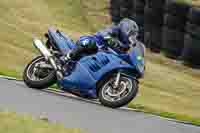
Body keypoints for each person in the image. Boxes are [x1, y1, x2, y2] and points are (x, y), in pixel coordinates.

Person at [64, 18, 139, 61]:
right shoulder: (114, 29)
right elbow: (104, 34)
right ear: (125, 28)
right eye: (130, 33)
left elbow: (124, 56)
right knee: (88, 43)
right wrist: (113, 41)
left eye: (133, 35)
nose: (131, 36)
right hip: (96, 44)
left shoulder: (126, 46)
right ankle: (67, 58)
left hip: (103, 55)